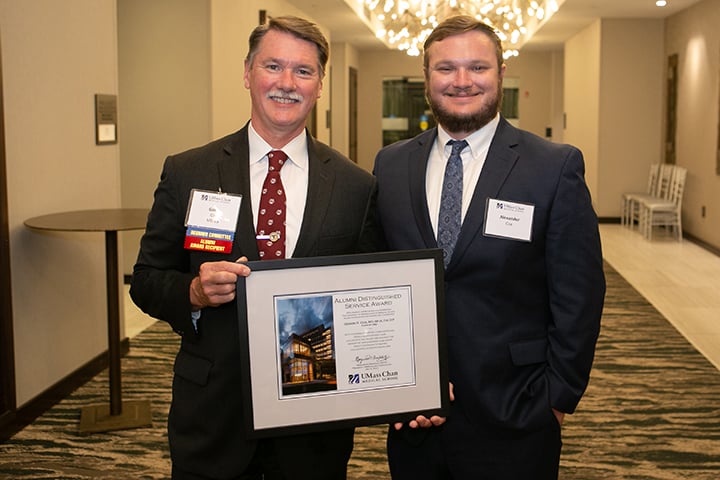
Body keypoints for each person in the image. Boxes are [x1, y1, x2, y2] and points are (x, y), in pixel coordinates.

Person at [130, 16, 381, 480]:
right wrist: (194, 294)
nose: (287, 83)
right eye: (273, 66)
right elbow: (146, 280)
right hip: (213, 412)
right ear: (247, 74)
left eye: (303, 71)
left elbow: (368, 298)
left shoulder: (355, 186)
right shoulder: (189, 171)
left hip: (313, 422)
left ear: (320, 84)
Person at [372, 15, 606, 480]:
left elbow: (579, 295)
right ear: (426, 79)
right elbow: (379, 280)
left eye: (477, 67)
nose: (461, 81)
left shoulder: (553, 166)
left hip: (516, 412)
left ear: (500, 74)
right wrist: (397, 386)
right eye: (446, 69)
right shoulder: (391, 164)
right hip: (416, 416)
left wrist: (555, 400)